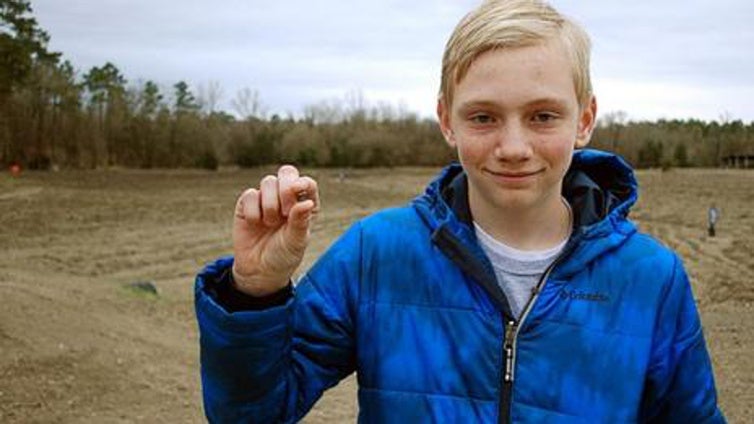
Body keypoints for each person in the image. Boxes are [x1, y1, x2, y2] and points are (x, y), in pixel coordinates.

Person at [195, 0, 725, 422]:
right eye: (483, 117)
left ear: (584, 119)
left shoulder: (650, 280)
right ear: (447, 120)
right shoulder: (377, 254)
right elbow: (250, 413)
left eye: (542, 115)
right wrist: (256, 294)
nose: (513, 145)